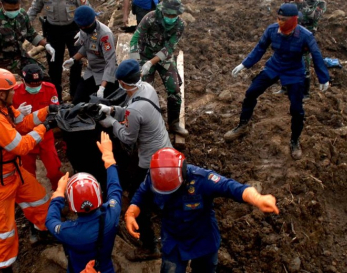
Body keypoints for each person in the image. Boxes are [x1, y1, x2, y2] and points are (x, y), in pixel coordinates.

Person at [124, 148, 279, 273]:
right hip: (174, 241)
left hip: (203, 240)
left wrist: (258, 199)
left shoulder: (202, 180)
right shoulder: (156, 176)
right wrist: (130, 213)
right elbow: (141, 194)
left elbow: (232, 188)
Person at [0, 68, 54, 272]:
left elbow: (23, 123)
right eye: (11, 90)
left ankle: (43, 231)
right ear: (1, 94)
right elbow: (21, 146)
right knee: (3, 231)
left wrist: (47, 112)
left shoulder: (3, 108)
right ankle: (4, 267)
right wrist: (45, 127)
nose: (16, 92)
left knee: (40, 199)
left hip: (11, 172)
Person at [225, 3, 330, 159]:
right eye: (279, 19)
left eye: (284, 19)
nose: (280, 22)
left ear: (294, 20)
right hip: (274, 66)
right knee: (251, 92)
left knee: (297, 109)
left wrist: (323, 78)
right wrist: (244, 64)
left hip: (294, 71)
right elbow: (260, 48)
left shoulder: (305, 35)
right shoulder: (272, 30)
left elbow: (316, 55)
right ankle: (242, 125)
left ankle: (295, 140)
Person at [98, 60, 173, 260]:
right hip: (165, 147)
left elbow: (127, 138)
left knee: (137, 199)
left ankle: (150, 246)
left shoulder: (135, 109)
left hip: (150, 159)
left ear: (122, 82)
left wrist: (112, 122)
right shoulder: (147, 88)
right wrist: (113, 110)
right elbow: (134, 111)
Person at [46, 132, 122, 273]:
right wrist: (109, 158)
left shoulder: (68, 231)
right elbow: (115, 190)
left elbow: (50, 221)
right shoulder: (111, 216)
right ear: (99, 196)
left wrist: (58, 195)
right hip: (105, 267)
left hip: (77, 268)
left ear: (72, 206)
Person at [0, 0, 56, 97]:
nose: (13, 12)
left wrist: (46, 45)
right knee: (6, 92)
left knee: (41, 77)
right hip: (0, 64)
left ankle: (46, 104)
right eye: (9, 10)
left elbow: (31, 33)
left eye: (16, 9)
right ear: (1, 5)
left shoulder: (22, 15)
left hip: (20, 57)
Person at [27, 0, 90, 102]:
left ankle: (75, 96)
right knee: (54, 66)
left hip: (73, 31)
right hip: (53, 32)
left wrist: (85, 30)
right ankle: (56, 98)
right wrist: (24, 25)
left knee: (76, 63)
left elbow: (87, 10)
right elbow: (32, 12)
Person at [129, 0, 188, 137]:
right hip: (144, 54)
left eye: (173, 15)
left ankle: (173, 123)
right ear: (162, 11)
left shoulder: (180, 25)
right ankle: (146, 124)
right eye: (167, 14)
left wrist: (151, 63)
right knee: (143, 91)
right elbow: (135, 40)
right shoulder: (150, 18)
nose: (170, 17)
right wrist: (137, 62)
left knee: (174, 89)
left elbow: (168, 48)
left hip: (163, 57)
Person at [12, 64, 63, 190]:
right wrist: (16, 112)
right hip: (25, 139)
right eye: (31, 85)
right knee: (27, 174)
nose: (35, 87)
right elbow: (4, 117)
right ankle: (32, 196)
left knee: (54, 170)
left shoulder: (49, 89)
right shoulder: (14, 93)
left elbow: (54, 110)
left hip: (45, 136)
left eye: (38, 84)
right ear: (23, 81)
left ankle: (59, 193)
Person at [63, 6, 118, 104]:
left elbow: (110, 62)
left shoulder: (105, 35)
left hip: (105, 73)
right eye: (81, 27)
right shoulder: (84, 30)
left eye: (86, 27)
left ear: (94, 20)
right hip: (91, 71)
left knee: (102, 105)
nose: (83, 29)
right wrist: (73, 59)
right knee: (78, 101)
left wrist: (102, 87)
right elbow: (87, 47)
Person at [283, 0, 326, 98]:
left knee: (304, 61)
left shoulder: (320, 2)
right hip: (294, 31)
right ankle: (286, 87)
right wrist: (288, 3)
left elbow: (314, 16)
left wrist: (302, 3)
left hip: (308, 34)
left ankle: (304, 92)